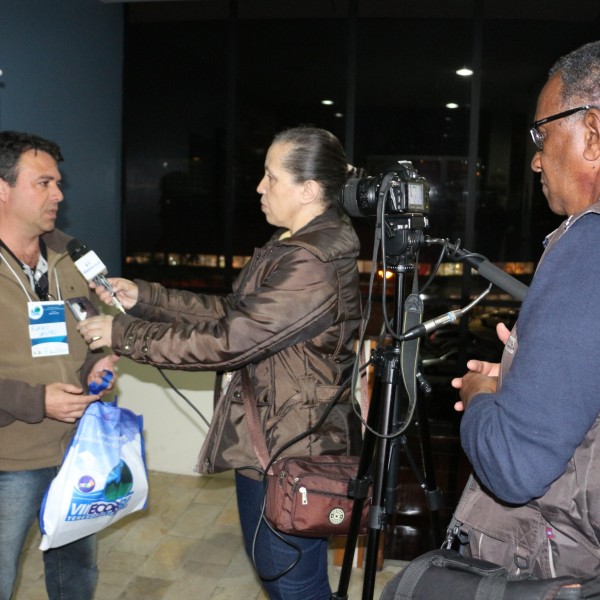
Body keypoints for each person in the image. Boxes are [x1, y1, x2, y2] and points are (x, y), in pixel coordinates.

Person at [77, 126, 363, 599]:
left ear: (309, 190)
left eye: (271, 178)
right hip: (274, 441)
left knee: (292, 583)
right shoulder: (291, 245)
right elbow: (233, 315)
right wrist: (143, 299)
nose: (260, 187)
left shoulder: (312, 261)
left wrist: (123, 335)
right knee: (284, 575)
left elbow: (230, 340)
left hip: (289, 450)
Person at [449, 41, 600, 578]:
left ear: (595, 134)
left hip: (561, 568)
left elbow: (515, 468)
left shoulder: (589, 246)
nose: (536, 156)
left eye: (543, 132)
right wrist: (524, 375)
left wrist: (483, 396)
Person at [0, 131, 119, 599]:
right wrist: (35, 400)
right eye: (44, 183)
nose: (59, 195)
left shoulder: (69, 259)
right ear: (2, 188)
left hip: (76, 451)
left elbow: (88, 332)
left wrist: (95, 364)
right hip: (10, 460)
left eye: (59, 182)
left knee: (76, 575)